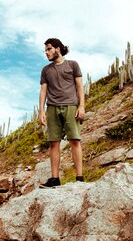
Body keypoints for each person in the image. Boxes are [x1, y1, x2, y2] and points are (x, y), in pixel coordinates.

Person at [39, 38, 85, 188]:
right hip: (52, 107)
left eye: (49, 49)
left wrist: (82, 106)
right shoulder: (46, 70)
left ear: (57, 49)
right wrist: (41, 111)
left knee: (74, 140)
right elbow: (43, 90)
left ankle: (79, 178)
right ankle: (55, 179)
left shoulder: (72, 65)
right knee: (54, 143)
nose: (46, 52)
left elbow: (80, 87)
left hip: (71, 106)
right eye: (45, 50)